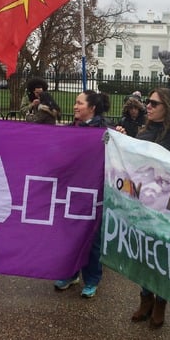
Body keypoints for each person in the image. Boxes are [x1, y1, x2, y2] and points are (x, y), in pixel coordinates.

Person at [130, 51, 170, 329]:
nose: (148, 106)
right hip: (142, 204)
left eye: (154, 102)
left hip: (169, 206)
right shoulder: (143, 132)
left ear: (166, 106)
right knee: (144, 254)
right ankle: (145, 299)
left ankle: (161, 302)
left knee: (162, 255)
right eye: (147, 102)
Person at [53, 89, 111, 298]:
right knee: (69, 237)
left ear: (92, 108)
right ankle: (70, 273)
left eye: (79, 103)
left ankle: (92, 279)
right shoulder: (70, 129)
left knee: (92, 239)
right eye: (75, 103)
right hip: (70, 192)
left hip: (94, 194)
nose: (75, 106)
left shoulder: (106, 133)